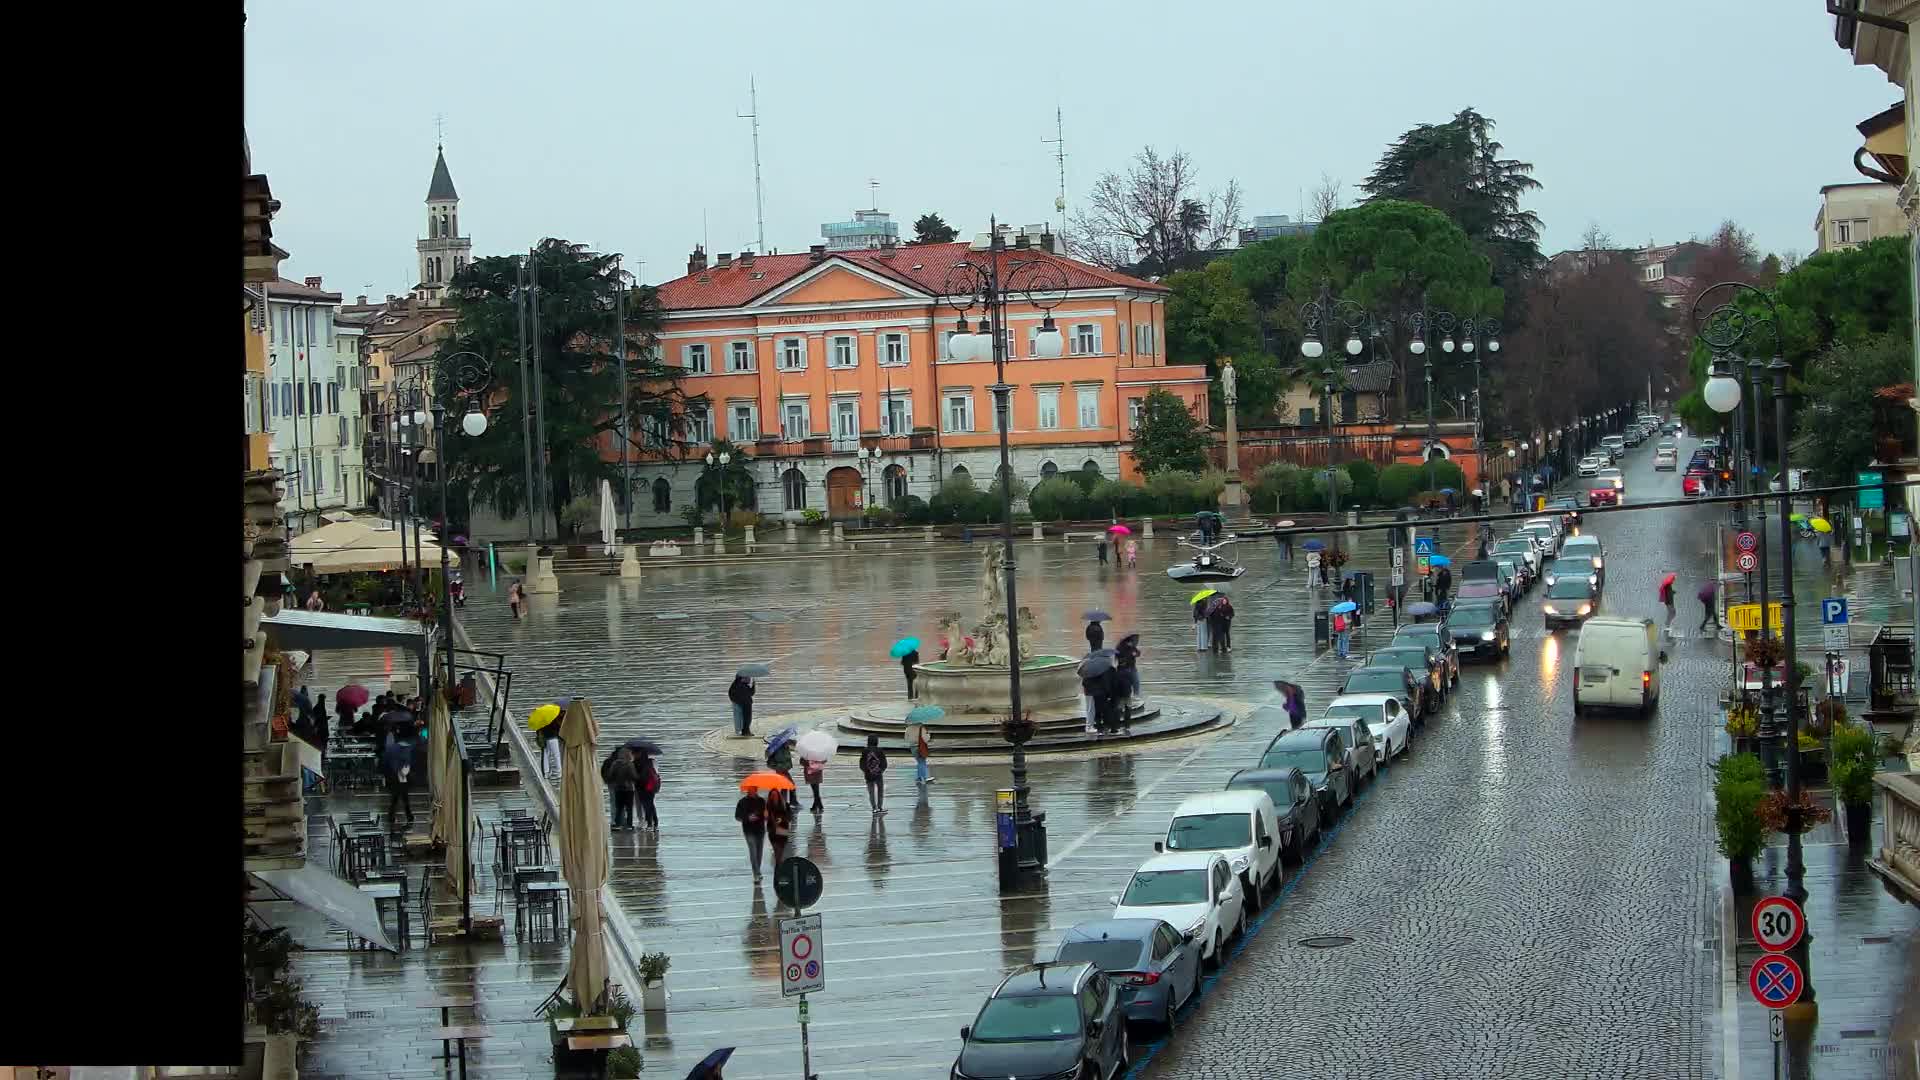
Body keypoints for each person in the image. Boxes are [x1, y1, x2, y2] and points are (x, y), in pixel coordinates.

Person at [380, 729, 415, 831]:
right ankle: (407, 815)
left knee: (397, 797)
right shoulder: (407, 748)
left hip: (394, 776)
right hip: (401, 776)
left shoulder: (391, 749)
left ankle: (395, 815)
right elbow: (408, 762)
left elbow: (386, 762)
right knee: (402, 797)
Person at [734, 787, 768, 879]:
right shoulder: (742, 802)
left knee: (759, 851)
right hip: (748, 830)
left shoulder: (762, 801)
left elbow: (766, 817)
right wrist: (747, 818)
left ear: (756, 790)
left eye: (753, 789)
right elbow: (737, 816)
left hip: (760, 829)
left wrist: (766, 816)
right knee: (752, 851)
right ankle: (756, 873)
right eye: (750, 789)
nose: (751, 791)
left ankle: (758, 870)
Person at [602, 747, 639, 831]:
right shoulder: (630, 764)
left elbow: (610, 775)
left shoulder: (615, 763)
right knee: (629, 808)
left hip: (618, 788)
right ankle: (629, 825)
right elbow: (634, 776)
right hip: (629, 789)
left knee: (619, 807)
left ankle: (617, 824)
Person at [859, 735, 888, 815]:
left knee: (871, 792)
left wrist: (866, 771)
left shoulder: (865, 751)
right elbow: (884, 763)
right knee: (880, 791)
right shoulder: (880, 750)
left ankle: (874, 808)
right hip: (878, 774)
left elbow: (862, 763)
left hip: (868, 775)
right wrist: (880, 771)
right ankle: (880, 807)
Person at [1115, 634, 1142, 715]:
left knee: (1136, 681)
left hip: (1132, 668)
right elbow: (1119, 657)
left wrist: (1136, 653)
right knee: (1127, 685)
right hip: (1124, 670)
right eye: (1136, 641)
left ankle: (1136, 695)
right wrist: (1131, 655)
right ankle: (1124, 702)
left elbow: (1138, 653)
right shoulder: (1120, 647)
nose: (1136, 643)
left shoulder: (1132, 647)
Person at [766, 790, 794, 867]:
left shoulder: (785, 805)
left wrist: (781, 819)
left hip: (783, 830)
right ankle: (779, 867)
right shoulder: (768, 806)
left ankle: (778, 867)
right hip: (772, 831)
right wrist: (765, 815)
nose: (774, 797)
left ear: (778, 796)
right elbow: (765, 818)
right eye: (772, 795)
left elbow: (790, 817)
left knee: (780, 851)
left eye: (775, 795)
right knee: (776, 851)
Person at [636, 753, 661, 831]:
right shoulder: (652, 762)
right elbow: (656, 773)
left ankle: (649, 824)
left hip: (641, 787)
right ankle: (655, 823)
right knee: (651, 804)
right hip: (651, 786)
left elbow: (635, 776)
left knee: (646, 805)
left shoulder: (636, 763)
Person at [539, 715, 563, 783]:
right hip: (553, 738)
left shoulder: (541, 721)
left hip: (545, 739)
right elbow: (558, 729)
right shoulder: (554, 719)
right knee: (557, 756)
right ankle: (559, 773)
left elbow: (539, 731)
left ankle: (546, 773)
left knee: (546, 756)